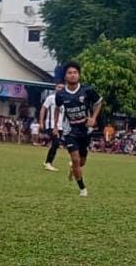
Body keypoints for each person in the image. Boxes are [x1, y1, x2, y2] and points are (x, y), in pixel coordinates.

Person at [55, 62, 101, 197]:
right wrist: (56, 125)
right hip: (70, 130)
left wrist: (93, 117)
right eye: (70, 73)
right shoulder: (61, 94)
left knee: (82, 162)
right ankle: (82, 189)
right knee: (75, 160)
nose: (73, 75)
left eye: (75, 72)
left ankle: (73, 169)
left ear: (79, 75)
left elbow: (98, 102)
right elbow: (57, 108)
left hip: (85, 130)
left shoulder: (87, 90)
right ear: (65, 76)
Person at [38, 83, 64, 171]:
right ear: (55, 88)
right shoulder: (51, 98)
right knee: (56, 143)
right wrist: (41, 122)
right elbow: (43, 109)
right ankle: (48, 162)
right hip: (52, 124)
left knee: (55, 144)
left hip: (61, 126)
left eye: (62, 88)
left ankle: (47, 162)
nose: (60, 89)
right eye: (59, 87)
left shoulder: (64, 99)